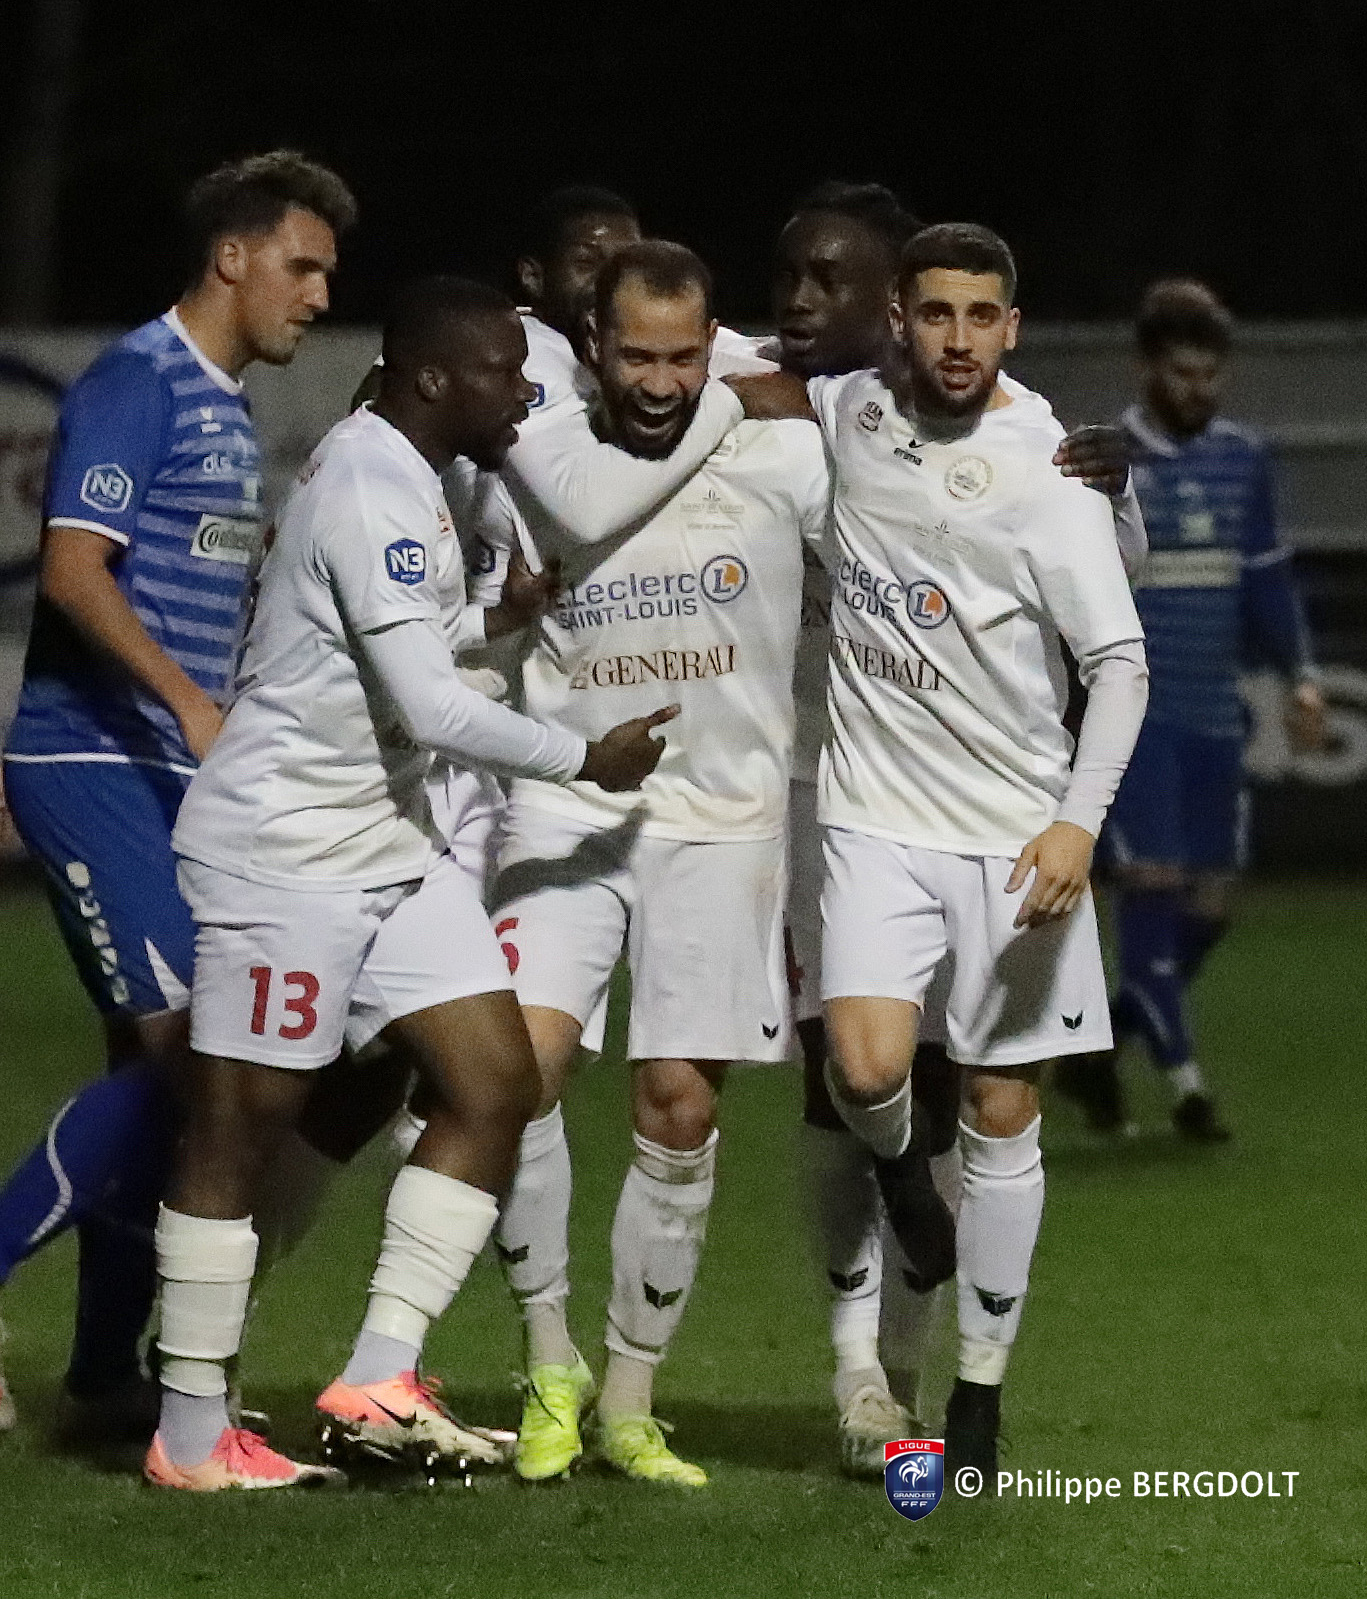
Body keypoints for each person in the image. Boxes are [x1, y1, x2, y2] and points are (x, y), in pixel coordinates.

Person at [141, 275, 672, 1491]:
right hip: (286, 853)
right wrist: (583, 759)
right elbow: (428, 706)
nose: (524, 390)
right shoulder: (370, 486)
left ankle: (379, 1376)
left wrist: (494, 618)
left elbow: (394, 653)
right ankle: (188, 1431)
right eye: (501, 371)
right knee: (238, 1126)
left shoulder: (412, 475)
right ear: (432, 380)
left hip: (383, 840)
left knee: (496, 1083)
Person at [770, 182, 1146, 1475]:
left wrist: (1074, 827)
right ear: (898, 317)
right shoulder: (844, 410)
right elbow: (714, 366)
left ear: (1010, 328)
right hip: (872, 819)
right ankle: (897, 1181)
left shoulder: (1047, 466)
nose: (955, 338)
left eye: (980, 317)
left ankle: (974, 1397)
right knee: (863, 1067)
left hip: (1010, 836)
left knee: (996, 1110)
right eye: (934, 313)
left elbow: (1117, 661)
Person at [0, 152, 357, 1436]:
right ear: (231, 255)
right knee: (185, 1072)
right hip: (93, 763)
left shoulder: (224, 407)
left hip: (167, 775)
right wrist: (185, 701)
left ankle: (102, 1377)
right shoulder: (136, 381)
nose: (319, 294)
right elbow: (72, 569)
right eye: (302, 266)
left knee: (166, 1087)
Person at [477, 240, 836, 1487]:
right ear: (591, 344)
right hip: (564, 807)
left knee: (678, 1105)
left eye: (685, 357)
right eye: (636, 355)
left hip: (722, 823)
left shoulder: (781, 454)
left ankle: (630, 1397)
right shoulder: (533, 458)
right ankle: (549, 1363)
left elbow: (904, 556)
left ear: (712, 346)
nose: (661, 381)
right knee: (515, 1073)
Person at [1057, 280, 1324, 1142]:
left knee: (1209, 908)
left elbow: (1264, 578)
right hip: (1137, 723)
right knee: (1151, 886)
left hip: (1215, 716)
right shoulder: (1104, 462)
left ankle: (1097, 1050)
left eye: (1210, 374)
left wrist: (1300, 677)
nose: (1198, 389)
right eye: (1182, 372)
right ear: (1145, 369)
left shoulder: (1242, 459)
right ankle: (1187, 1088)